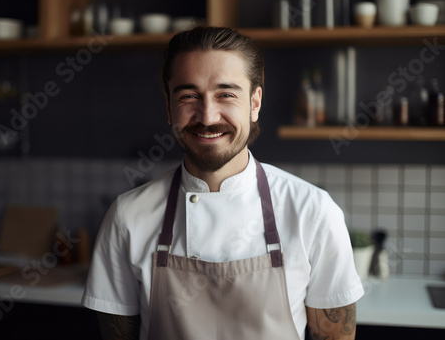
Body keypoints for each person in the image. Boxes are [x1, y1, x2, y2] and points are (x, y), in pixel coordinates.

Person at [82, 26, 364, 340]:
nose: (207, 115)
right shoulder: (127, 216)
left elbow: (336, 337)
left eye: (225, 94)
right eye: (189, 96)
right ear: (168, 106)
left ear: (255, 103)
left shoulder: (313, 212)